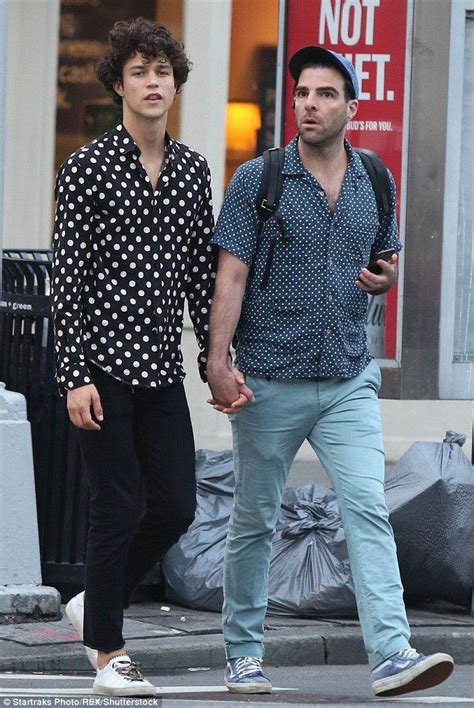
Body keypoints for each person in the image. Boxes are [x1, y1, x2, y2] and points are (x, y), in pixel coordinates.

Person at [206, 45, 454, 698]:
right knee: (256, 519)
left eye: (323, 94)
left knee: (368, 507)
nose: (308, 104)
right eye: (300, 94)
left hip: (346, 377)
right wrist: (216, 360)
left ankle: (393, 653)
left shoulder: (377, 177)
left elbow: (385, 259)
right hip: (269, 381)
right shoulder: (258, 179)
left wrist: (386, 277)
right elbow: (229, 275)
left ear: (352, 106)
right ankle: (242, 656)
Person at [51, 18, 215, 697]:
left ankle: (97, 598)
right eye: (141, 72)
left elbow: (200, 279)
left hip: (159, 369)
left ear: (175, 84)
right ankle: (108, 653)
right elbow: (67, 277)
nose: (154, 83)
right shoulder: (88, 167)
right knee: (116, 506)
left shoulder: (191, 171)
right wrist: (73, 376)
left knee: (176, 503)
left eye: (163, 72)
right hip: (101, 367)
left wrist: (216, 358)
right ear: (118, 84)